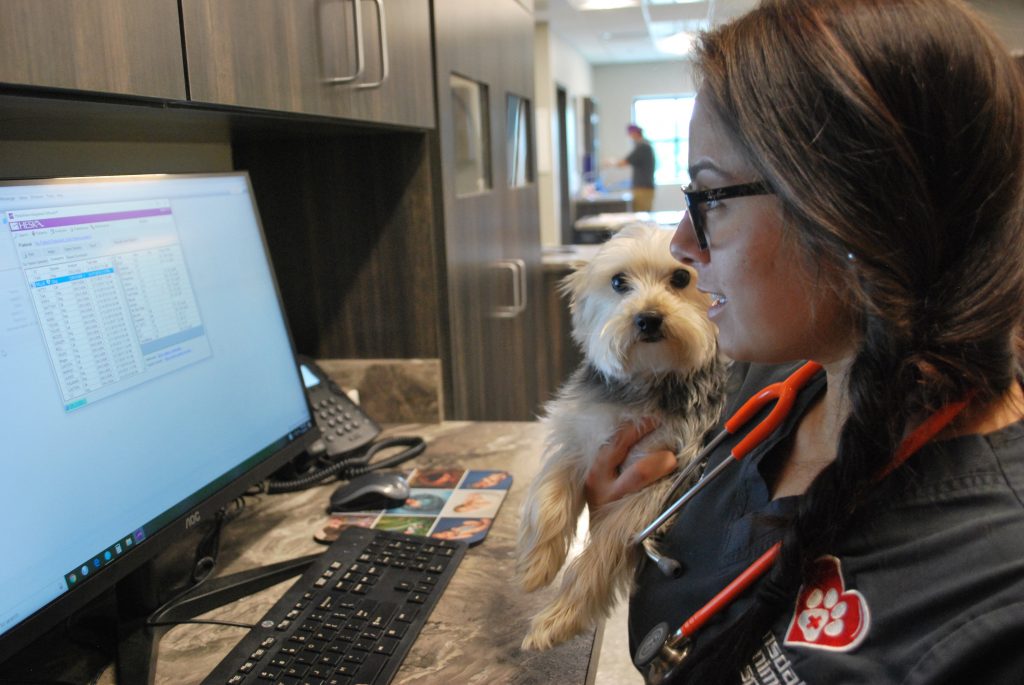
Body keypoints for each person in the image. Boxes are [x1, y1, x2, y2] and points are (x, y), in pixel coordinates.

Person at [584, 1, 1024, 683]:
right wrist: (623, 524)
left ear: (849, 211)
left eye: (710, 197)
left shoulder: (997, 595)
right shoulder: (772, 382)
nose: (682, 243)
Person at [618, 124, 656, 211]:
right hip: (645, 187)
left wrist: (611, 163)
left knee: (641, 214)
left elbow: (624, 163)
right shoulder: (645, 145)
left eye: (630, 134)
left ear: (635, 133)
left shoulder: (642, 147)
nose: (630, 137)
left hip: (643, 188)